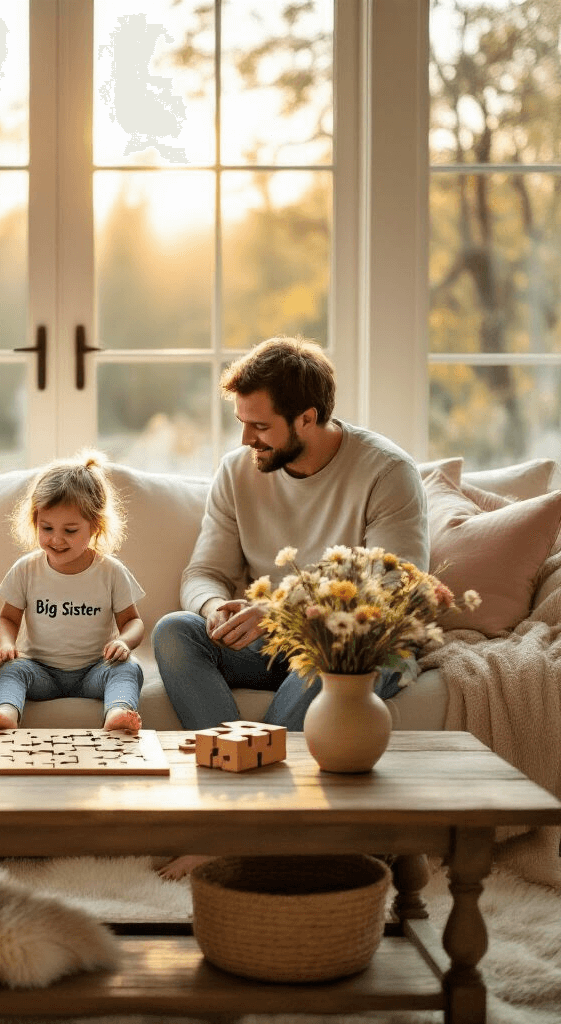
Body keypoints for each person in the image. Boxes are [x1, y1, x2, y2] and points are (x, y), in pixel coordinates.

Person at [152, 335, 428, 878]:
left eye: (259, 426)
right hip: (268, 640)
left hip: (359, 643)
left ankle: (242, 831)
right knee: (173, 631)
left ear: (307, 418)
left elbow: (391, 586)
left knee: (325, 659)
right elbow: (203, 572)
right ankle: (255, 825)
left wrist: (281, 610)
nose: (246, 438)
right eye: (241, 422)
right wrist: (211, 609)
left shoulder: (386, 472)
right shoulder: (238, 472)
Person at [0, 452, 145, 736]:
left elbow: (134, 622)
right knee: (9, 669)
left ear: (95, 526)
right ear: (35, 522)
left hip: (95, 670)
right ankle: (6, 712)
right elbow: (7, 619)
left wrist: (125, 643)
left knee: (129, 668)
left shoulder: (110, 571)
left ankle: (117, 712)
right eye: (47, 528)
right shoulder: (26, 569)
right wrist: (5, 644)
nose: (56, 539)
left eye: (70, 530)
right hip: (40, 671)